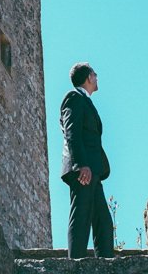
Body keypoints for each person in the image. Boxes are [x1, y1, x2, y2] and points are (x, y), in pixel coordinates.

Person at [59, 62, 114, 259]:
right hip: (83, 170)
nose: (97, 78)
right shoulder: (74, 98)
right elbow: (71, 132)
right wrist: (80, 164)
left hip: (93, 171)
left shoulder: (86, 101)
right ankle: (76, 265)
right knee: (81, 216)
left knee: (104, 222)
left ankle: (107, 263)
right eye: (95, 74)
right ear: (89, 77)